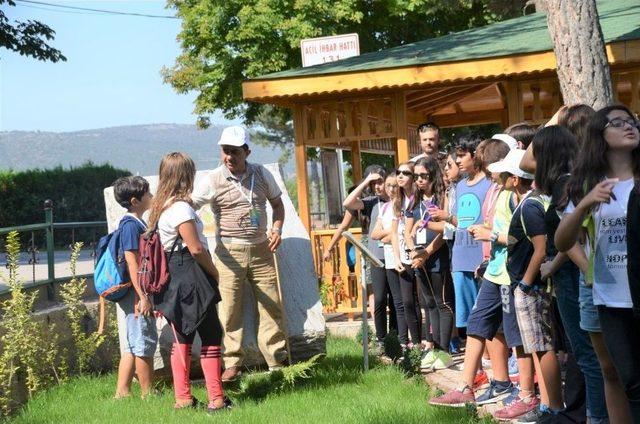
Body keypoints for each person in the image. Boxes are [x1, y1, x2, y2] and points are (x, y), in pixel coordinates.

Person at [556, 105, 640, 422]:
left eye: (631, 121)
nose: (628, 126)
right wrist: (586, 204)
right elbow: (563, 242)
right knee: (626, 380)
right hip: (611, 299)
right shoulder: (589, 186)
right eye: (616, 123)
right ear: (599, 135)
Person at [192, 126, 287, 382]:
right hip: (228, 253)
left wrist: (276, 228)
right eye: (225, 151)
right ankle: (232, 363)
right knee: (229, 310)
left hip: (262, 249)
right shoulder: (211, 179)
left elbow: (278, 205)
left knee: (271, 306)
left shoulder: (262, 173)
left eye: (235, 152)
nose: (229, 157)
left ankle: (276, 362)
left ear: (247, 151)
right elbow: (191, 207)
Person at [429, 145, 519, 410]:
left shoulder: (510, 194)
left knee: (511, 334)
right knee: (479, 323)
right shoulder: (496, 191)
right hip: (491, 267)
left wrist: (489, 236)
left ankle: (525, 391)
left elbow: (522, 234)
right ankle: (471, 385)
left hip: (507, 270)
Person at [535, 110, 611, 424]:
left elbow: (575, 239)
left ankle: (595, 416)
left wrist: (570, 268)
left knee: (591, 358)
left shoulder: (569, 182)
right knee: (592, 358)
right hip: (584, 276)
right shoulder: (571, 180)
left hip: (583, 279)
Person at [149, 152, 229, 412]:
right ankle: (216, 399)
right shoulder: (182, 209)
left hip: (175, 281)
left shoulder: (161, 208)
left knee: (182, 338)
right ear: (186, 176)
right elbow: (195, 248)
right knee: (211, 335)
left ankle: (183, 398)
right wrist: (214, 273)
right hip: (192, 278)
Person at [404, 157, 453, 370]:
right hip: (419, 259)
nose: (420, 180)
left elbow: (445, 231)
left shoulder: (443, 198)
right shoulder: (414, 200)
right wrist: (415, 252)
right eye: (416, 176)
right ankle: (433, 349)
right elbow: (407, 231)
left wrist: (426, 253)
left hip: (437, 258)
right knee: (429, 304)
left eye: (424, 176)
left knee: (442, 303)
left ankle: (445, 352)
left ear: (433, 175)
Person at [343, 166, 397, 353]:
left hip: (394, 256)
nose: (378, 187)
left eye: (380, 182)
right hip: (376, 258)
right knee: (380, 298)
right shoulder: (371, 202)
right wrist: (365, 182)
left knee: (396, 300)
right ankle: (381, 339)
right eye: (374, 184)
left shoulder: (398, 202)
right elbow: (348, 203)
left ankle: (396, 336)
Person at [112, 176, 157, 399]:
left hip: (134, 292)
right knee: (144, 342)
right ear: (135, 200)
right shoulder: (130, 225)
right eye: (148, 194)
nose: (151, 197)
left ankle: (122, 392)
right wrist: (143, 295)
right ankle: (148, 394)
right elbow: (133, 262)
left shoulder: (135, 223)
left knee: (132, 344)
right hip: (137, 293)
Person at [448, 135, 492, 332]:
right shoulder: (460, 186)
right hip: (460, 256)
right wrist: (446, 217)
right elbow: (461, 221)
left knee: (487, 316)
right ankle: (480, 361)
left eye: (461, 155)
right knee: (468, 319)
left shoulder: (492, 183)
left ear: (475, 156)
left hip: (482, 257)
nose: (458, 161)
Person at [371, 173, 409, 347]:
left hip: (401, 255)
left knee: (402, 301)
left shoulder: (402, 205)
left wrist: (389, 234)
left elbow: (398, 232)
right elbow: (374, 234)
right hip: (388, 257)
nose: (391, 189)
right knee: (395, 299)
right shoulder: (384, 207)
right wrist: (390, 233)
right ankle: (394, 340)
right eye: (388, 186)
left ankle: (404, 339)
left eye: (394, 186)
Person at [390, 162, 423, 349]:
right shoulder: (397, 200)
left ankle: (427, 342)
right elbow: (394, 232)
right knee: (408, 301)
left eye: (406, 173)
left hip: (420, 251)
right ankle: (415, 343)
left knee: (422, 300)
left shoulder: (419, 199)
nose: (400, 176)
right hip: (403, 256)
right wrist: (396, 257)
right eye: (398, 172)